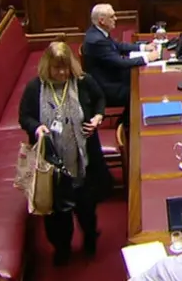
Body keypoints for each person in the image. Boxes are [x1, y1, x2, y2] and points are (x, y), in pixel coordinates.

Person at [19, 42, 113, 266]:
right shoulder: (35, 88)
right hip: (51, 165)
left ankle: (90, 238)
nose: (61, 73)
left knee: (87, 208)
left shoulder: (83, 82)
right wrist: (35, 127)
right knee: (57, 216)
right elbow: (24, 116)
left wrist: (98, 117)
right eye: (56, 68)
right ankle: (62, 248)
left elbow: (101, 99)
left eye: (65, 68)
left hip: (83, 160)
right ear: (47, 67)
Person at [82, 4, 159, 127]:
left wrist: (143, 47)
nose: (116, 19)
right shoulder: (96, 40)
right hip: (106, 87)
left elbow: (118, 46)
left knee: (143, 81)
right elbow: (120, 62)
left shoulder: (98, 32)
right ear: (102, 21)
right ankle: (126, 124)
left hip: (111, 76)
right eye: (112, 16)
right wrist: (146, 58)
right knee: (139, 90)